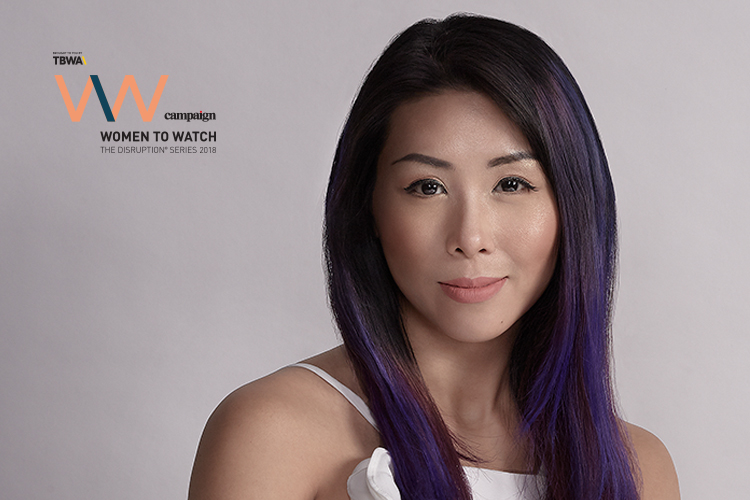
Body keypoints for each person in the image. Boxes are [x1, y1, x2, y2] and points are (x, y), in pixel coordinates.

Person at [188, 14, 680, 500]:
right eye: (427, 187)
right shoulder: (273, 431)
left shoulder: (640, 468)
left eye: (511, 184)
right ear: (369, 207)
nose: (470, 237)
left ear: (574, 204)